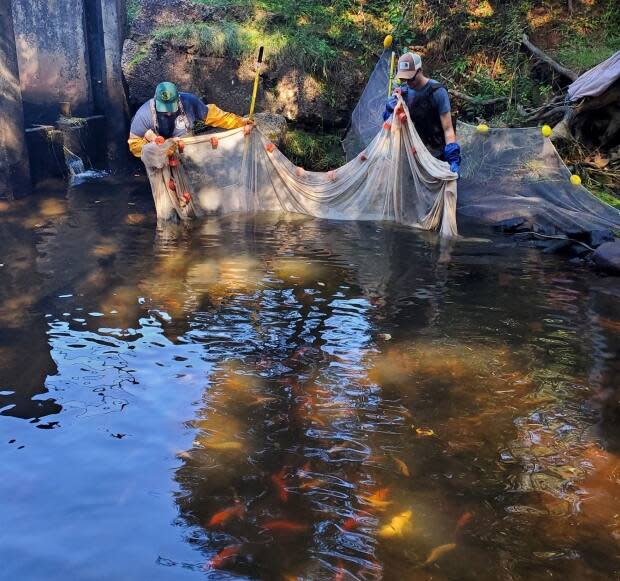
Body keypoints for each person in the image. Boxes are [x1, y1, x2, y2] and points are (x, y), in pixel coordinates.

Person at [384, 52, 461, 175]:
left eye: (411, 78)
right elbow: (393, 127)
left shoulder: (437, 92)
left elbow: (448, 129)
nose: (408, 83)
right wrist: (389, 110)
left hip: (438, 151)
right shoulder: (404, 93)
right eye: (404, 79)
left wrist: (452, 157)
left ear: (420, 70)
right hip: (415, 152)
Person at [128, 82, 250, 157]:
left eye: (171, 107)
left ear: (178, 99)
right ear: (156, 101)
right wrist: (159, 148)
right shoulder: (143, 115)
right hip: (161, 153)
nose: (169, 112)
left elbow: (217, 117)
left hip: (186, 145)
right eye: (164, 109)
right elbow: (134, 145)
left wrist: (240, 122)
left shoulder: (190, 102)